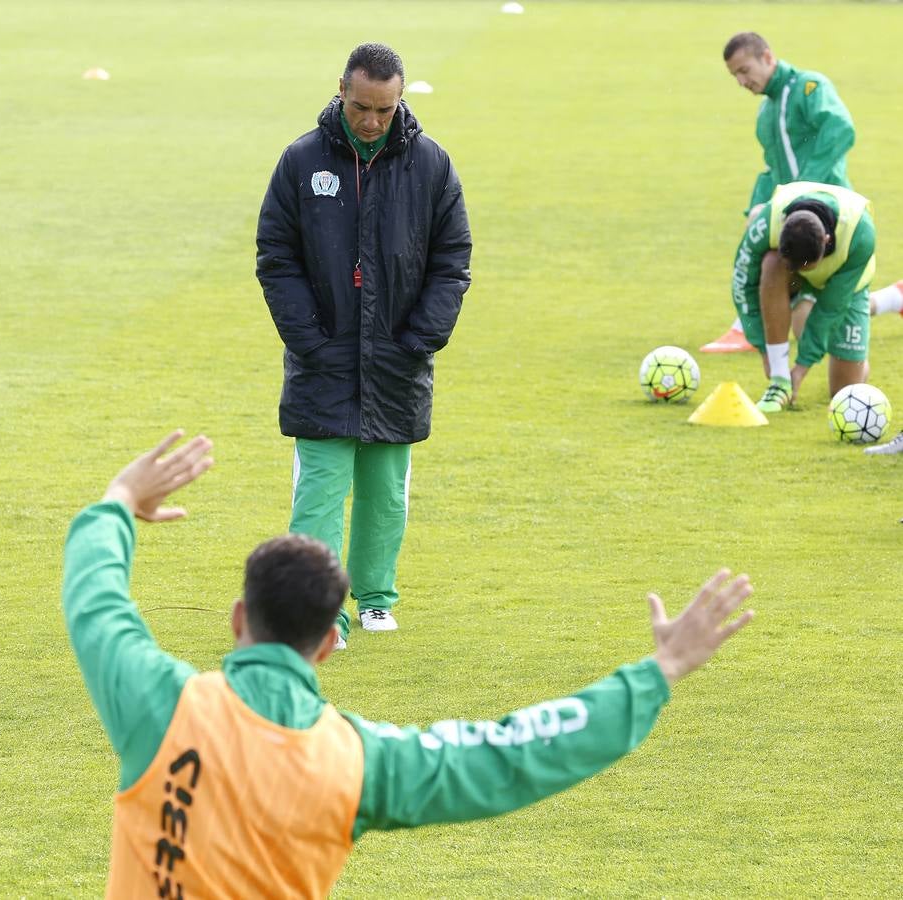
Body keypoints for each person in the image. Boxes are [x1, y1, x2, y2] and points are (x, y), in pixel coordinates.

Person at [63, 431, 755, 899]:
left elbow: (96, 602)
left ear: (239, 617)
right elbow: (514, 754)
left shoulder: (159, 703)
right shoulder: (358, 762)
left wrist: (118, 502)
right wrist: (657, 671)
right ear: (327, 643)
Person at [255, 43, 471, 648]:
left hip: (398, 361)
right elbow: (276, 257)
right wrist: (309, 339)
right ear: (341, 91)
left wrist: (420, 339)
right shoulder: (302, 161)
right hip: (322, 362)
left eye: (384, 109)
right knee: (319, 496)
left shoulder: (431, 164)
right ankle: (319, 616)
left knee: (384, 495)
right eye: (361, 107)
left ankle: (375, 598)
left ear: (400, 99)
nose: (372, 120)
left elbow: (452, 260)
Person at [703, 32, 901, 352]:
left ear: (767, 57)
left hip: (827, 216)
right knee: (800, 302)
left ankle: (747, 329)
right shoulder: (766, 113)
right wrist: (757, 209)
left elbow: (840, 129)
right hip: (791, 214)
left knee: (820, 308)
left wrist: (800, 191)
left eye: (744, 70)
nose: (741, 81)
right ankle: (894, 298)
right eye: (734, 75)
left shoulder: (809, 87)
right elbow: (771, 169)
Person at [730, 180, 875, 412]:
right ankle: (779, 381)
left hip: (845, 284)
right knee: (772, 262)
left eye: (806, 266)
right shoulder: (768, 223)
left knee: (844, 393)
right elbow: (743, 286)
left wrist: (800, 369)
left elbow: (830, 308)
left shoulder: (861, 233)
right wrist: (766, 352)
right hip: (793, 281)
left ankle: (886, 303)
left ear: (827, 240)